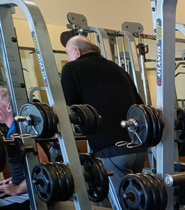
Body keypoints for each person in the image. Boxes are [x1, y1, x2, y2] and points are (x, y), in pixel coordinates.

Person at [60, 35, 147, 198]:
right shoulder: (118, 68)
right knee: (140, 200)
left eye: (67, 53)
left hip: (111, 149)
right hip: (138, 147)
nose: (67, 58)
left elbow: (67, 104)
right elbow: (139, 104)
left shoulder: (71, 69)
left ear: (77, 52)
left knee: (125, 206)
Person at [0, 87, 47, 210]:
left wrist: (18, 188)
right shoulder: (13, 130)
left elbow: (42, 164)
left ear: (8, 107)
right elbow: (28, 163)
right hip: (28, 185)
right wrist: (14, 179)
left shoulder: (19, 131)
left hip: (34, 190)